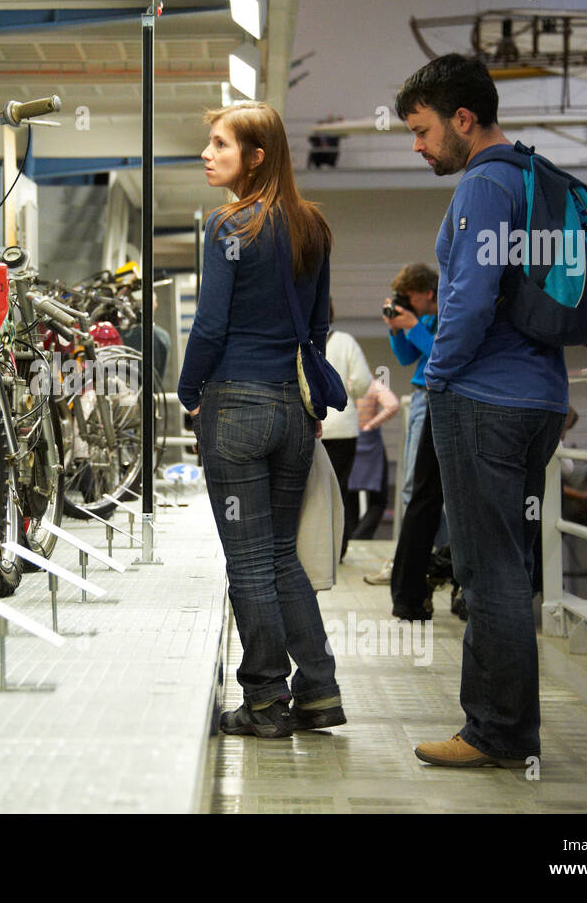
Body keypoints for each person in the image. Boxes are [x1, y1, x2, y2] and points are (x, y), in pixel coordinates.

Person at [395, 54, 568, 769]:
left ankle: (496, 732)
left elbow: (466, 299)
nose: (418, 145)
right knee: (508, 563)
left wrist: (436, 376)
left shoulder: (485, 184)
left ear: (463, 120)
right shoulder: (536, 176)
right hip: (540, 397)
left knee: (486, 568)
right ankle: (504, 726)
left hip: (485, 402)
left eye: (423, 129)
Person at [178, 101, 342, 738]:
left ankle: (267, 701)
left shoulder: (230, 227)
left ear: (256, 157)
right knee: (279, 556)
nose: (207, 153)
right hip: (295, 411)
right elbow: (320, 325)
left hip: (236, 411)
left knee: (248, 563)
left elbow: (211, 324)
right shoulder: (313, 227)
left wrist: (191, 389)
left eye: (220, 144)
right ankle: (320, 691)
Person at [363, 262, 445, 587]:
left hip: (435, 399)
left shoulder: (449, 314)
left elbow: (440, 353)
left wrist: (412, 326)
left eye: (410, 298)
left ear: (428, 293)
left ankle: (422, 561)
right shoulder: (424, 318)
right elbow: (404, 358)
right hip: (421, 397)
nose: (408, 305)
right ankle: (413, 560)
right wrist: (397, 330)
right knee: (413, 485)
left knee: (422, 486)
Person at [320, 300, 373, 560]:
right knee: (340, 489)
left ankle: (312, 548)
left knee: (312, 489)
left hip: (312, 428)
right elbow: (364, 382)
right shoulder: (346, 341)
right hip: (343, 428)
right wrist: (351, 391)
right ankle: (338, 548)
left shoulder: (300, 340)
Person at [348, 378, 399, 539]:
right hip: (368, 439)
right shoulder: (373, 385)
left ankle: (351, 538)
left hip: (348, 437)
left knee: (349, 495)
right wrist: (371, 425)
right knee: (378, 499)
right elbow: (392, 405)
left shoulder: (342, 384)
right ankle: (359, 536)